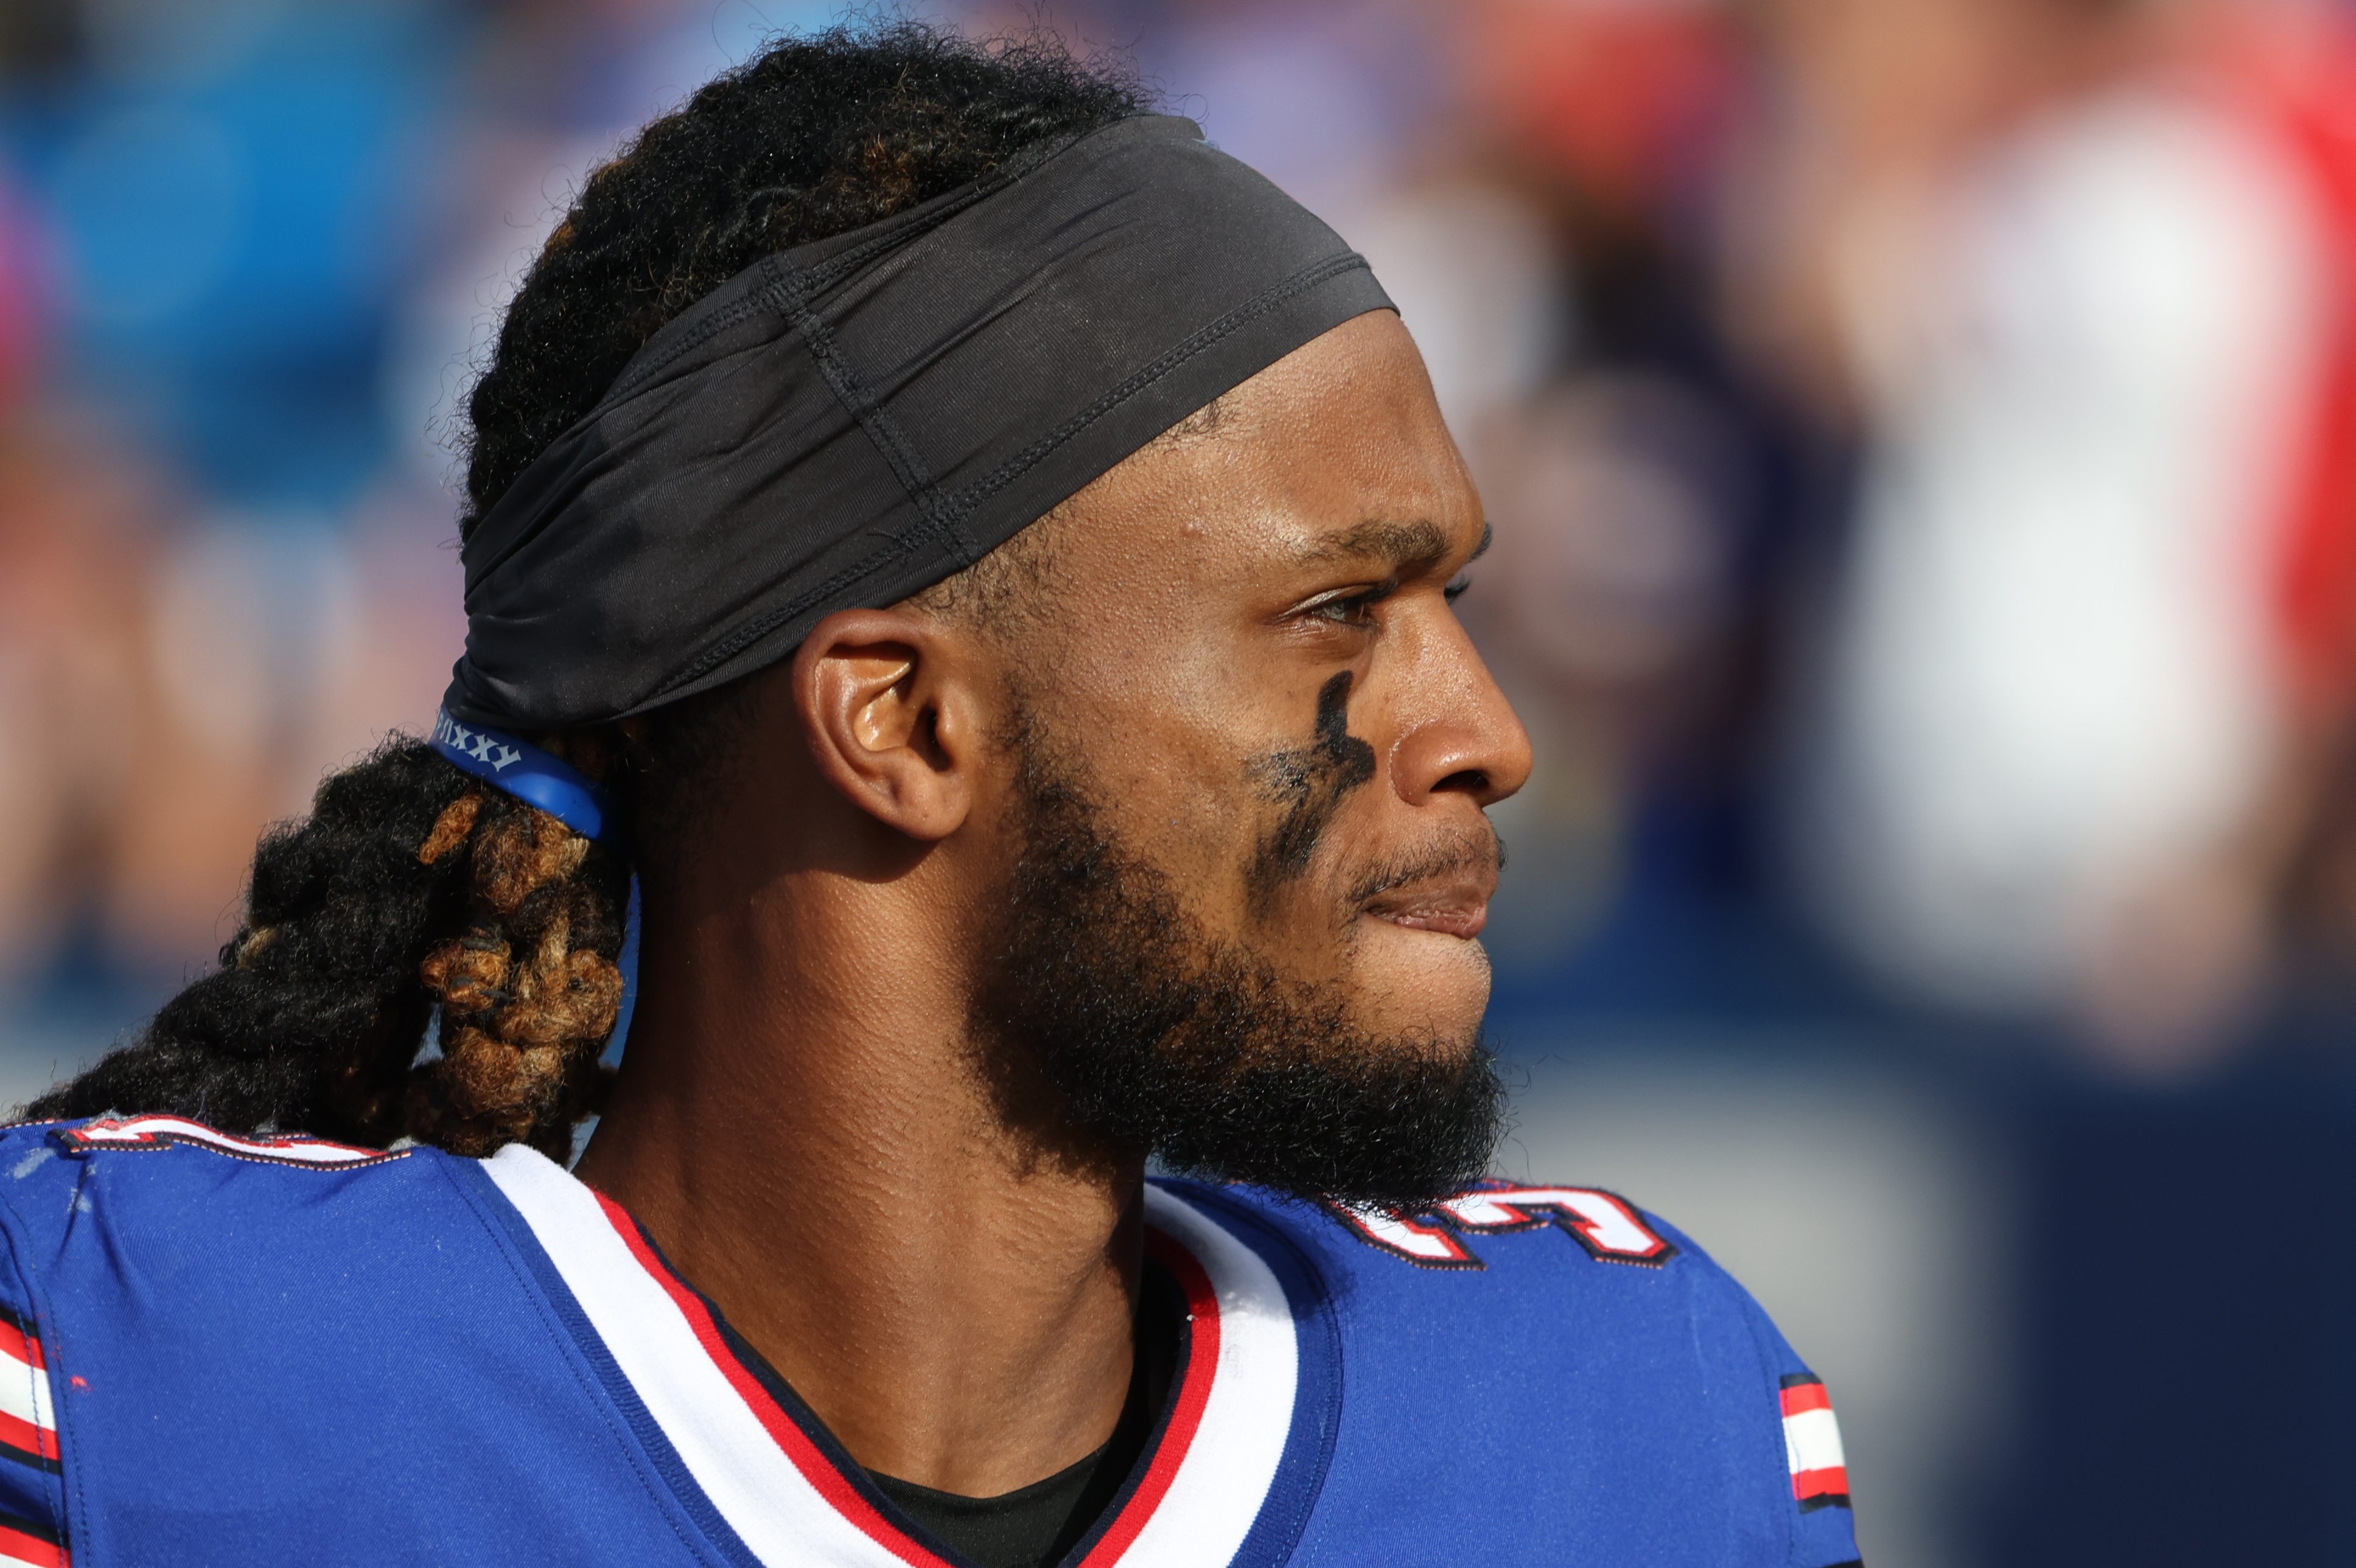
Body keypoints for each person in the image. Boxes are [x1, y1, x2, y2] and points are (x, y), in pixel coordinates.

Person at [1, 26, 1861, 1568]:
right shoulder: (136, 1387)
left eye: (1446, 601)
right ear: (898, 721)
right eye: (1336, 613)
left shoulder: (1628, 1431)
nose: (1485, 729)